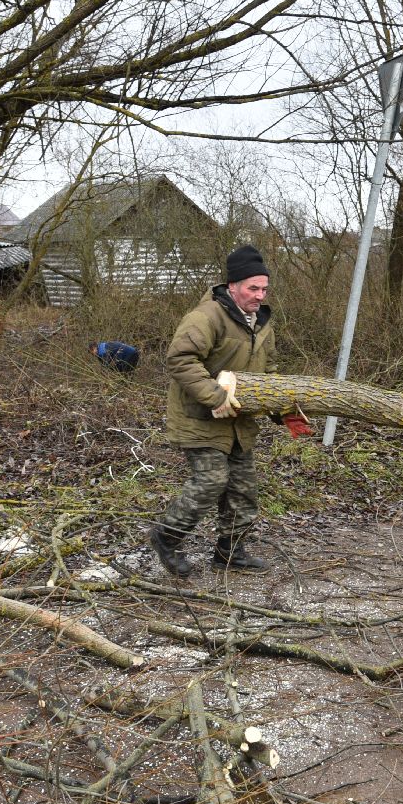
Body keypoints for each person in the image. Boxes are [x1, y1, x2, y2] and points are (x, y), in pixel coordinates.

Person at [150, 244, 308, 576]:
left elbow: (270, 372)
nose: (260, 295)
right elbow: (179, 359)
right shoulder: (206, 316)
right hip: (200, 418)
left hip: (239, 424)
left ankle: (229, 553)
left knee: (243, 491)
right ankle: (167, 537)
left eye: (264, 288)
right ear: (232, 284)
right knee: (212, 480)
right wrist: (215, 395)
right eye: (253, 288)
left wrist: (281, 409)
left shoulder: (262, 323)